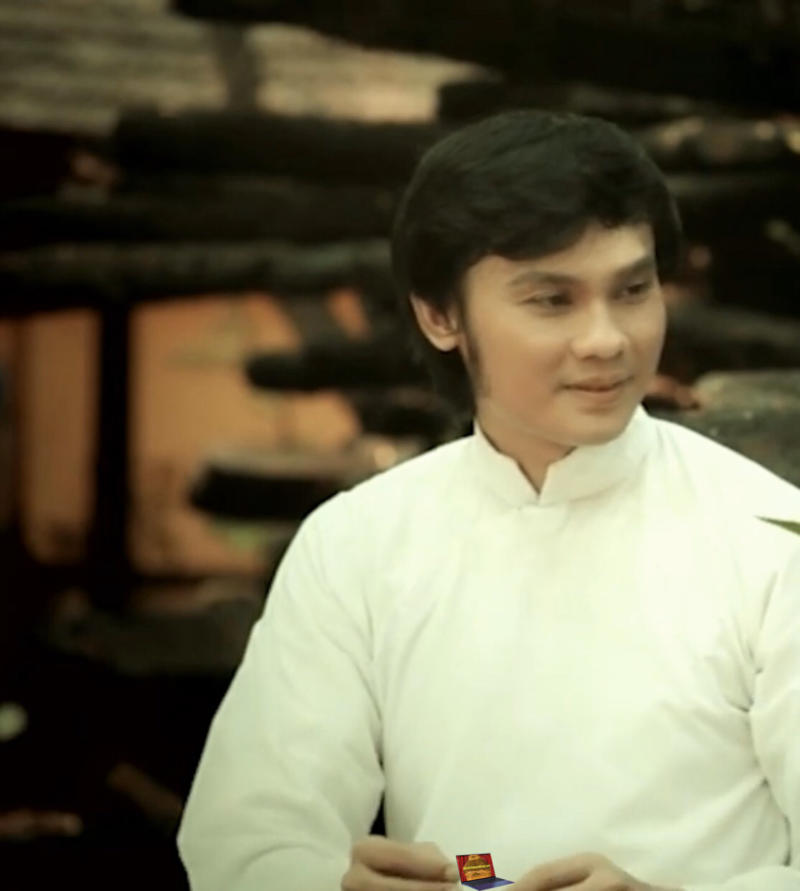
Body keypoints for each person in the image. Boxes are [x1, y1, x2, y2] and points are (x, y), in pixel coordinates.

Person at [177, 110, 800, 891]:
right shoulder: (357, 544)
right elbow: (247, 835)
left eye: (633, 290)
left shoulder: (770, 538)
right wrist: (332, 883)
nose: (608, 339)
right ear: (440, 314)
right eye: (552, 300)